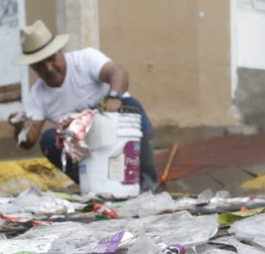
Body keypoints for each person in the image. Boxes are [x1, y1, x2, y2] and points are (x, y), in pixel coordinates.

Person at [10, 20, 157, 191]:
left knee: (132, 106)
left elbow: (118, 72)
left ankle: (147, 185)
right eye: (40, 65)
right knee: (49, 140)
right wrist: (19, 127)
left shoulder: (85, 59)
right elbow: (28, 141)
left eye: (51, 59)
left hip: (116, 127)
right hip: (84, 146)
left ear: (60, 51)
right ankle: (95, 188)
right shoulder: (37, 94)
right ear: (32, 68)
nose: (48, 68)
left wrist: (114, 97)